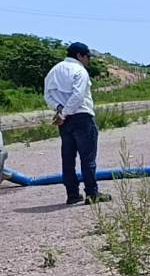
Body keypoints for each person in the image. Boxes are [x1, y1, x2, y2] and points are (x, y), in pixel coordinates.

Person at [44, 42, 112, 205]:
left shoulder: (54, 71)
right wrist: (65, 113)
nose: (89, 60)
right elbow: (78, 96)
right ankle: (92, 193)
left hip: (64, 121)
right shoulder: (79, 71)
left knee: (68, 159)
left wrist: (60, 110)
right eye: (88, 56)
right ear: (80, 55)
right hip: (81, 117)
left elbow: (48, 95)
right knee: (88, 158)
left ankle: (72, 194)